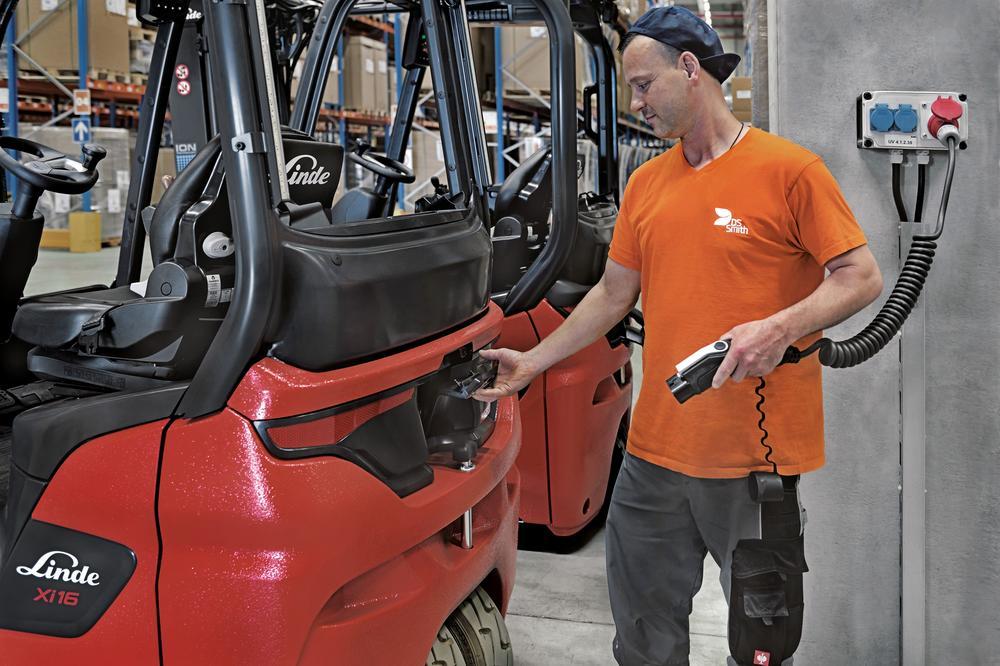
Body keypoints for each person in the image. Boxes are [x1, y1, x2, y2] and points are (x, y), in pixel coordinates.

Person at [472, 6, 884, 666]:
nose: (636, 101)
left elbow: (861, 277)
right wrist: (531, 363)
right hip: (653, 461)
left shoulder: (789, 171)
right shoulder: (646, 184)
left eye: (643, 84)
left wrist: (780, 327)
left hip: (754, 466)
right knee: (642, 639)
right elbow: (613, 295)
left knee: (762, 646)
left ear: (690, 69)